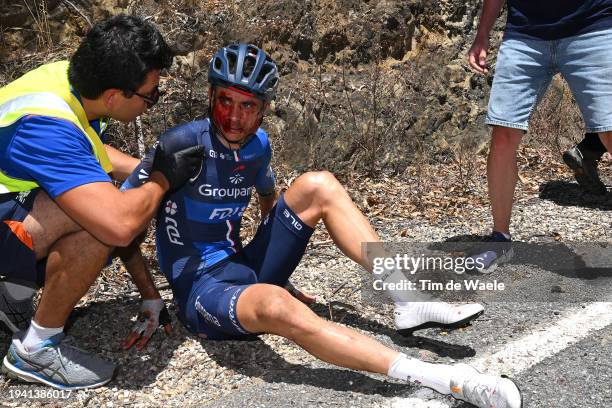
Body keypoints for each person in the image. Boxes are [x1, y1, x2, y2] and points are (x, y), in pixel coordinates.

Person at [121, 43, 522, 408]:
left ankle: (408, 299)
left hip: (242, 265)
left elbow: (267, 195)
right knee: (278, 306)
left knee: (320, 184)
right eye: (225, 101)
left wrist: (274, 257)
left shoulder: (258, 146)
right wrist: (150, 296)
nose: (234, 116)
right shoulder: (180, 144)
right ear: (211, 96)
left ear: (263, 110)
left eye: (247, 106)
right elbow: (121, 223)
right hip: (202, 291)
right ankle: (448, 379)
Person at [0, 15, 203, 390]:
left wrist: (147, 168)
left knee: (101, 201)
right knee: (98, 219)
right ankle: (36, 350)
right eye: (150, 95)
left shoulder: (70, 80)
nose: (152, 104)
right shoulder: (47, 124)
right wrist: (161, 179)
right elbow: (119, 225)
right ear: (113, 96)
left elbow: (91, 154)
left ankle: (11, 293)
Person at [468, 0, 612, 270]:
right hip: (524, 35)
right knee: (503, 134)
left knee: (609, 131)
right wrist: (482, 34)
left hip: (593, 28)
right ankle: (500, 240)